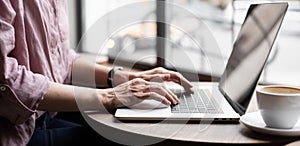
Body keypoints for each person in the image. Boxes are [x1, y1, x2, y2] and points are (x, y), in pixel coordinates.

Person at [0, 0, 193, 145]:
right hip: (16, 132)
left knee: (136, 127)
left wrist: (124, 77)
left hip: (46, 116)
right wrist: (110, 96)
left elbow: (62, 62)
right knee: (128, 138)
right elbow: (8, 82)